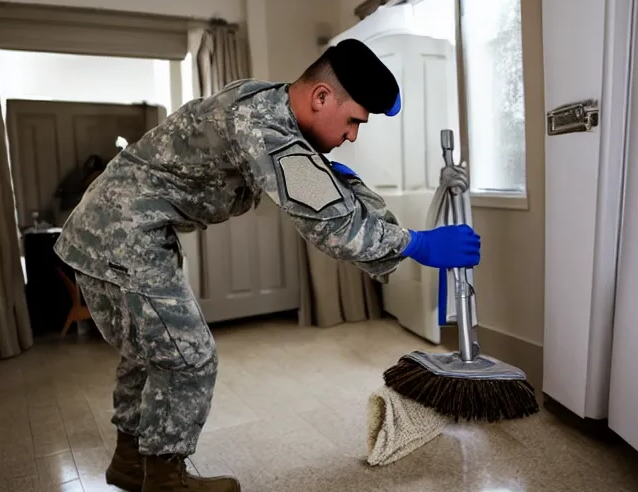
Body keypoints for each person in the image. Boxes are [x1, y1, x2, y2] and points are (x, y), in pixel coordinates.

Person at [53, 38, 481, 492]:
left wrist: (347, 190)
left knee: (151, 352)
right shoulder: (270, 132)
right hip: (122, 233)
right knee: (188, 356)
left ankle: (129, 463)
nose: (353, 135)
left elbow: (321, 190)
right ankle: (164, 480)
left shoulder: (268, 101)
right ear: (321, 97)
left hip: (116, 228)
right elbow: (335, 228)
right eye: (354, 120)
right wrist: (418, 244)